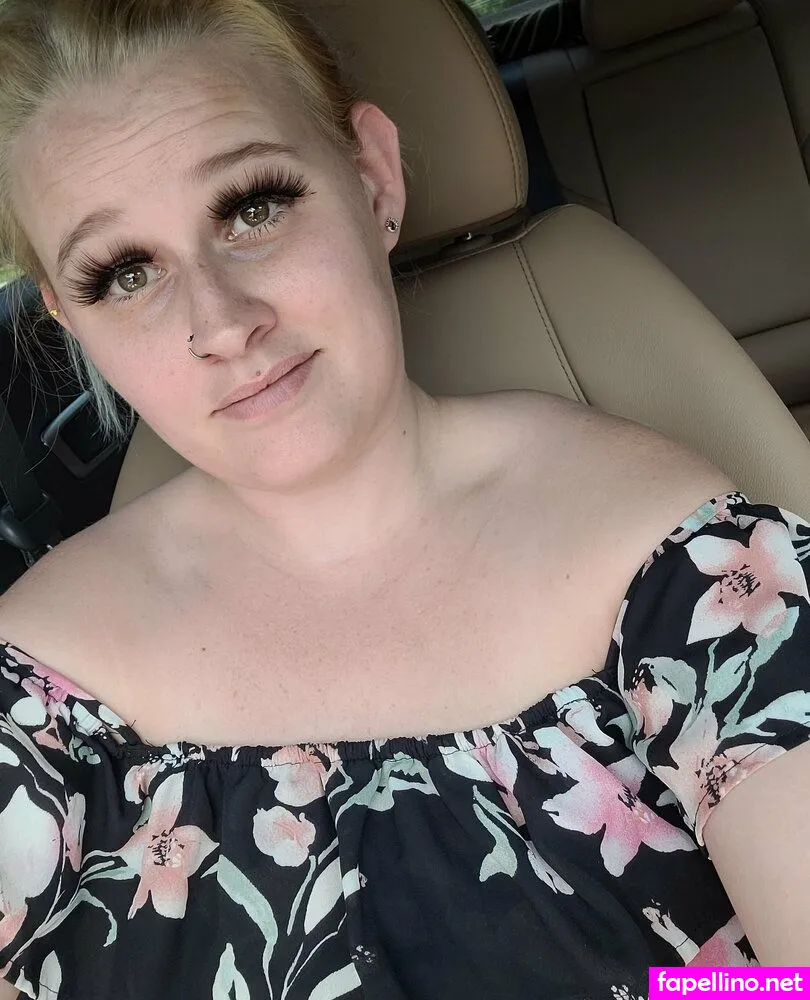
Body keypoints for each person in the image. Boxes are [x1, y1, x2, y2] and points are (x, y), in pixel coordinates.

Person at [0, 0, 808, 997]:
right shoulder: (30, 698)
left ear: (374, 178)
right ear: (72, 323)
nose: (222, 323)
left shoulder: (686, 568)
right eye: (125, 273)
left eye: (252, 207)